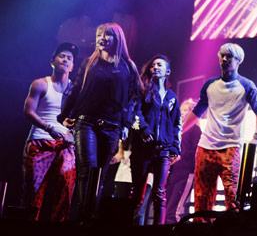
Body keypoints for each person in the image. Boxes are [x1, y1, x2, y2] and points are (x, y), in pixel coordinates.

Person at [58, 23, 141, 220]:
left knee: (100, 175)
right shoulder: (89, 63)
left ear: (117, 39)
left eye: (107, 35)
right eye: (98, 35)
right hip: (86, 122)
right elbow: (76, 89)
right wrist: (64, 115)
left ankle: (90, 217)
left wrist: (126, 124)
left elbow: (133, 99)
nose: (101, 38)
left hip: (112, 126)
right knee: (87, 168)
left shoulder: (128, 66)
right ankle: (82, 218)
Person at [182, 43, 257, 219]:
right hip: (205, 147)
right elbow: (198, 110)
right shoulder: (210, 85)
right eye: (222, 55)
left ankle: (231, 229)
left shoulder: (246, 85)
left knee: (232, 198)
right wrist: (179, 131)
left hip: (230, 148)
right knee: (202, 198)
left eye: (229, 56)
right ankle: (201, 228)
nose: (225, 59)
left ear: (239, 60)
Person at [22, 42, 78, 221]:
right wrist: (48, 127)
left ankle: (58, 227)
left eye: (69, 58)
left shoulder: (76, 89)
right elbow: (28, 111)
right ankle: (28, 227)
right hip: (40, 141)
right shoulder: (40, 84)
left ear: (72, 66)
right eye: (62, 56)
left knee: (66, 189)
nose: (65, 60)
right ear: (52, 61)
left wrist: (72, 133)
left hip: (65, 144)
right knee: (34, 190)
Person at [130, 55, 181, 225]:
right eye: (153, 65)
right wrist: (143, 130)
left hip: (163, 150)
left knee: (160, 194)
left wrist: (175, 146)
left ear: (168, 71)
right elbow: (134, 113)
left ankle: (159, 230)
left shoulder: (172, 97)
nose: (155, 67)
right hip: (143, 148)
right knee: (138, 194)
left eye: (159, 65)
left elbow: (176, 123)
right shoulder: (142, 91)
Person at [165, 99, 201, 224]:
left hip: (185, 173)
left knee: (174, 211)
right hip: (173, 173)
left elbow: (196, 151)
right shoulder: (176, 130)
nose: (182, 113)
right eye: (181, 110)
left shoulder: (195, 130)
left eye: (186, 110)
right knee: (166, 208)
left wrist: (181, 155)